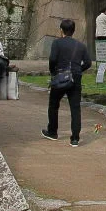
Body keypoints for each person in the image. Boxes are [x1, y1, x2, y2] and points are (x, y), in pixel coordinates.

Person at [41, 18, 92, 146]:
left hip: (60, 77)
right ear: (73, 31)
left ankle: (52, 131)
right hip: (75, 79)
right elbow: (88, 63)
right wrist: (78, 70)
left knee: (53, 104)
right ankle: (75, 138)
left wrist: (53, 72)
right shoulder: (81, 46)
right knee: (75, 108)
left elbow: (52, 59)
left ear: (61, 30)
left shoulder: (57, 43)